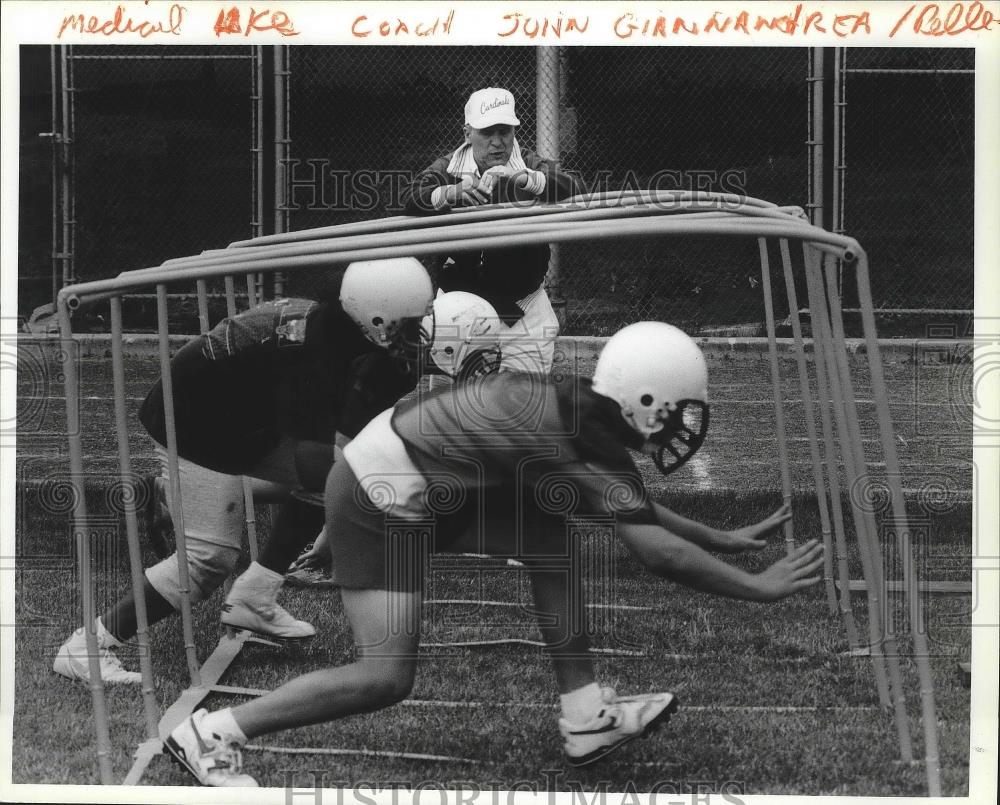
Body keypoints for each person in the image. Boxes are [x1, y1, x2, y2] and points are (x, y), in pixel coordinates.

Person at [163, 322, 824, 786]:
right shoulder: (578, 430)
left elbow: (631, 509)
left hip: (405, 475)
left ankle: (586, 715)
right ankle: (212, 733)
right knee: (384, 677)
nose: (685, 425)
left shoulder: (582, 410)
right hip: (380, 491)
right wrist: (759, 586)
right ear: (647, 403)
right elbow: (659, 554)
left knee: (549, 534)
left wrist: (722, 538)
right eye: (680, 410)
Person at [52, 257, 436, 684]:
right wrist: (337, 513)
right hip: (194, 418)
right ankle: (89, 645)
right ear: (376, 317)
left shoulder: (338, 329)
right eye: (410, 321)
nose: (416, 332)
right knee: (208, 559)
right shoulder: (315, 355)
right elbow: (338, 449)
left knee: (321, 470)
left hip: (237, 413)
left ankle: (254, 595)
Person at [285, 291, 503, 588]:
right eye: (480, 348)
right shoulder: (387, 374)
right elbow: (347, 464)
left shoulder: (428, 378)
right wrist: (330, 541)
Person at [401, 87, 583, 375]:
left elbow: (575, 188)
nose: (498, 143)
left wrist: (524, 178)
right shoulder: (448, 167)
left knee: (524, 405)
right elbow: (408, 198)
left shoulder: (527, 162)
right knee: (452, 410)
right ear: (467, 134)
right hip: (458, 307)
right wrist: (451, 193)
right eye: (487, 133)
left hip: (522, 305)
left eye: (505, 132)